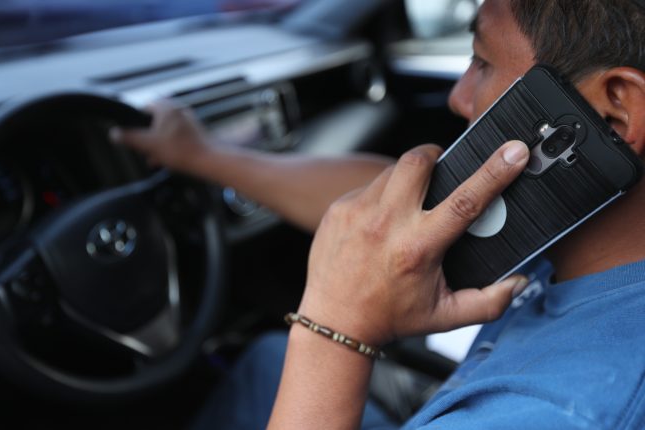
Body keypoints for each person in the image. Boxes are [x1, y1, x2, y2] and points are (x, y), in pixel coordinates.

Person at [112, 0, 645, 428]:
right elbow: (394, 202)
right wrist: (203, 155)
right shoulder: (590, 234)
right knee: (264, 366)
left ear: (613, 113)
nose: (459, 96)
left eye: (482, 62)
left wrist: (333, 328)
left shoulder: (556, 411)